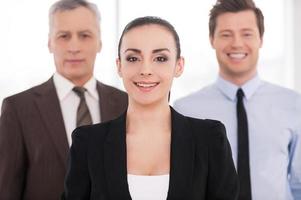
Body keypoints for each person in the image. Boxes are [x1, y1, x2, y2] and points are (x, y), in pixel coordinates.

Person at [62, 16, 239, 199]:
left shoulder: (209, 139)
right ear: (119, 66)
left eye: (160, 58)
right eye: (133, 58)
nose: (145, 69)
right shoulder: (88, 143)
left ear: (179, 66)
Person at [0, 0, 127, 199]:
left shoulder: (125, 104)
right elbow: (6, 190)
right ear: (50, 42)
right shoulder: (18, 109)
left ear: (99, 42)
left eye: (84, 35)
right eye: (63, 36)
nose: (74, 47)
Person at [174, 0, 301, 199]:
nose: (237, 43)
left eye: (247, 34)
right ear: (211, 39)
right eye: (226, 34)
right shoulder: (185, 111)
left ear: (261, 39)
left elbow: (298, 184)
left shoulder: (293, 104)